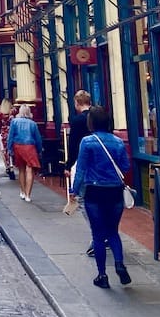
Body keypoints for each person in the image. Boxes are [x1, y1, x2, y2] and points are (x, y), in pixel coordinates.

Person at [71, 106, 132, 289]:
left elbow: (80, 169)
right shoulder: (118, 142)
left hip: (94, 192)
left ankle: (102, 275)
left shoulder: (87, 142)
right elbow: (126, 166)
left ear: (91, 122)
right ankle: (119, 264)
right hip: (114, 191)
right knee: (113, 231)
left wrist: (74, 190)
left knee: (98, 236)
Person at [64, 90, 94, 251]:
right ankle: (107, 234)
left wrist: (68, 166)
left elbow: (74, 145)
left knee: (82, 199)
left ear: (77, 103)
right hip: (101, 165)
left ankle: (97, 234)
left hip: (82, 164)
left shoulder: (77, 121)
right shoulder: (100, 116)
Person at [6, 104, 42, 202]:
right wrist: (39, 150)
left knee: (21, 169)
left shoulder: (14, 122)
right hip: (30, 147)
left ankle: (22, 191)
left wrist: (9, 148)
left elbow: (10, 136)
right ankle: (28, 195)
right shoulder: (33, 124)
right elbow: (38, 138)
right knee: (30, 170)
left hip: (18, 146)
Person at [0, 99, 15, 179]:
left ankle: (8, 167)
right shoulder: (13, 112)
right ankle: (12, 165)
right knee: (12, 150)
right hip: (12, 133)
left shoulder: (0, 114)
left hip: (3, 134)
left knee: (5, 151)